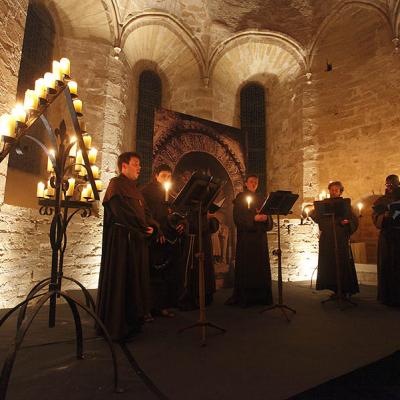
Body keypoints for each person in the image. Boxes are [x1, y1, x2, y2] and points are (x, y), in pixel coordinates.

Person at [96, 152, 158, 341]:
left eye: (139, 164)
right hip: (122, 243)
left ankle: (133, 321)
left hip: (137, 242)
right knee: (122, 281)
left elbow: (146, 212)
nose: (139, 168)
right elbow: (120, 211)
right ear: (124, 166)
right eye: (135, 164)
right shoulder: (116, 184)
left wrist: (152, 226)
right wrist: (141, 226)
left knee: (135, 281)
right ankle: (118, 326)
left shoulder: (136, 190)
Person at [141, 164, 185, 318]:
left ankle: (163, 305)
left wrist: (181, 224)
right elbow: (145, 214)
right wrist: (156, 228)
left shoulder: (170, 194)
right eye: (164, 176)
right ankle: (148, 308)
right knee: (154, 274)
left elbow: (177, 213)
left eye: (169, 176)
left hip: (169, 239)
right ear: (156, 176)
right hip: (154, 238)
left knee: (167, 274)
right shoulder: (146, 192)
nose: (167, 179)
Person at [226, 175, 273, 307]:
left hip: (260, 240)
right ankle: (246, 298)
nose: (254, 184)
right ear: (246, 183)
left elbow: (269, 220)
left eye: (256, 182)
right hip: (247, 240)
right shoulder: (240, 198)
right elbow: (238, 219)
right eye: (251, 181)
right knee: (247, 269)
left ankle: (261, 297)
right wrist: (253, 219)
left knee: (260, 268)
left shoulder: (262, 199)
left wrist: (266, 218)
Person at [177, 172, 220, 311]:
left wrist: (210, 218)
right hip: (193, 241)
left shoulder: (206, 203)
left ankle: (206, 295)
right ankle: (192, 297)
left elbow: (212, 225)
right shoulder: (187, 202)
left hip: (205, 239)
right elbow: (187, 221)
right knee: (193, 269)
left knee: (206, 266)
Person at [310, 181, 359, 298]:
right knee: (329, 263)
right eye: (332, 189)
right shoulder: (324, 204)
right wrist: (311, 213)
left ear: (340, 191)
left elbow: (353, 220)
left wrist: (347, 223)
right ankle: (335, 289)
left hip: (341, 238)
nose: (334, 191)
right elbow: (318, 218)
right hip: (327, 238)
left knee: (342, 263)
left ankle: (345, 289)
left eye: (336, 190)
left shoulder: (346, 205)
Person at [372, 174, 400, 306]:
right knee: (387, 266)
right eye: (388, 184)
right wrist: (384, 215)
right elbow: (375, 218)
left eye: (393, 184)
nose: (390, 186)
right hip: (387, 238)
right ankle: (387, 297)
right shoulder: (381, 200)